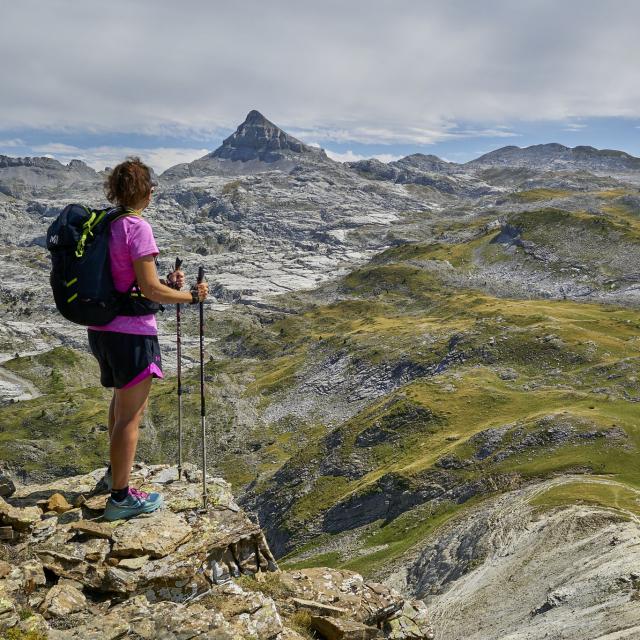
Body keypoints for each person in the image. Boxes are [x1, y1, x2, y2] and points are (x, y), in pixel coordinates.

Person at [88, 157, 208, 521]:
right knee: (131, 416)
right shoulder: (137, 227)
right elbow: (150, 289)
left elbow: (129, 283)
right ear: (145, 191)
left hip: (102, 329)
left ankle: (114, 476)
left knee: (119, 404)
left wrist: (165, 284)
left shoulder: (104, 225)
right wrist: (191, 296)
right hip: (132, 333)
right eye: (151, 186)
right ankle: (121, 498)